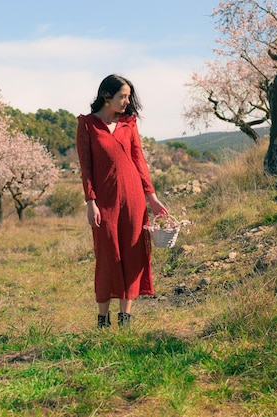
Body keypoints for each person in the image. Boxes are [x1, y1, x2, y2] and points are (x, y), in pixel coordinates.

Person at [76, 74, 168, 328]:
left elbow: (139, 161)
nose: (127, 101)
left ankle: (125, 318)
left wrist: (153, 198)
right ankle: (102, 319)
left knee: (133, 253)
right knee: (107, 256)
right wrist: (90, 201)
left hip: (134, 198)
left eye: (128, 96)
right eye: (122, 96)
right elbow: (86, 168)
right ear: (107, 96)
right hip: (104, 201)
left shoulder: (129, 123)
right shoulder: (87, 125)